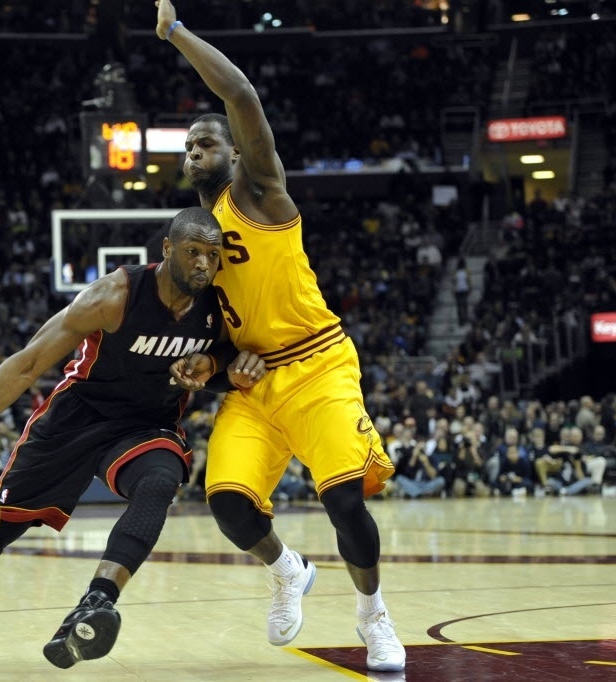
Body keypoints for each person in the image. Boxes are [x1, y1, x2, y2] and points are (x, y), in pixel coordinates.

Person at [0, 207, 266, 673]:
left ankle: (96, 602)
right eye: (193, 252)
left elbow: (232, 362)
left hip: (146, 425)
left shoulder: (219, 308)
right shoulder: (113, 296)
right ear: (167, 250)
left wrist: (226, 368)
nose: (204, 264)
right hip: (75, 420)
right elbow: (27, 364)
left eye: (212, 254)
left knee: (161, 478)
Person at [156, 1, 404, 672]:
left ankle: (373, 617)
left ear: (234, 153)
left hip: (318, 366)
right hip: (257, 383)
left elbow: (239, 92)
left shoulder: (259, 190)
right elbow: (219, 324)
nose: (194, 153)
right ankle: (288, 569)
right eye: (188, 149)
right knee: (229, 505)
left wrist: (175, 33)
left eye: (204, 143)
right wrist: (210, 361)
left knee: (345, 501)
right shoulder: (194, 237)